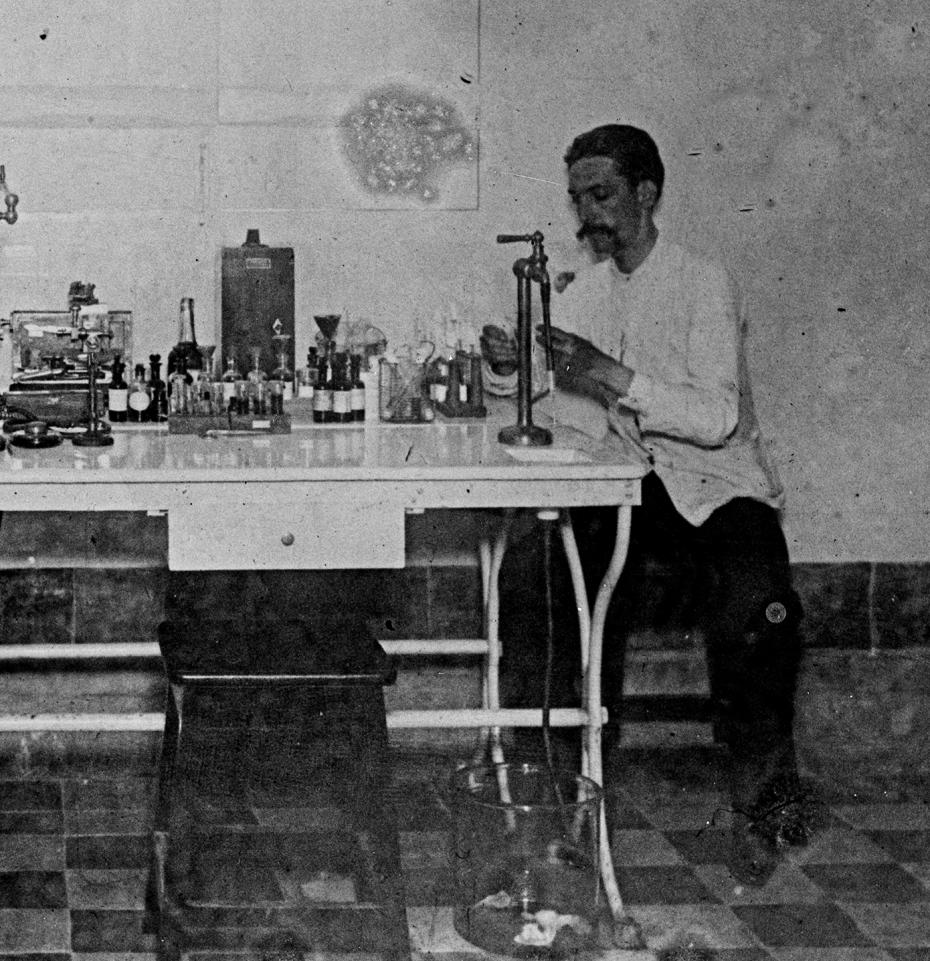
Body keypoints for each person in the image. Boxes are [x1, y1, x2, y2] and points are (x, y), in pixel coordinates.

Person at [482, 123, 816, 885]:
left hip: (720, 490)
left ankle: (766, 813)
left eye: (600, 196)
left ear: (647, 193)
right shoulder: (588, 291)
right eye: (577, 200)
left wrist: (614, 374)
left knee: (759, 612)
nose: (585, 217)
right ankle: (554, 807)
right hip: (629, 488)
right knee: (536, 580)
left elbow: (716, 417)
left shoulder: (705, 282)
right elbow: (552, 401)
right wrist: (509, 369)